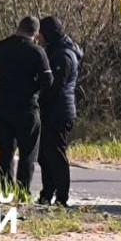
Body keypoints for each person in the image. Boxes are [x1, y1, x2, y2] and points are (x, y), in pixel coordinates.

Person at [0, 16, 53, 196]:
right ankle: (22, 192)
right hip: (27, 107)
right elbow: (48, 79)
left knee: (6, 152)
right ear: (35, 33)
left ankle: (6, 190)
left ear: (18, 27)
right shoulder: (37, 51)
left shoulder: (0, 47)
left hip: (4, 105)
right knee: (28, 153)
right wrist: (32, 87)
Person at [38, 16, 83, 207]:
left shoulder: (62, 55)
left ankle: (61, 197)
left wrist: (38, 96)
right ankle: (47, 194)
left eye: (40, 33)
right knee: (45, 155)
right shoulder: (57, 50)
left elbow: (55, 86)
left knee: (56, 155)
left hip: (59, 112)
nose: (38, 37)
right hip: (53, 110)